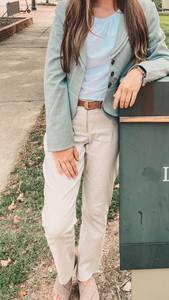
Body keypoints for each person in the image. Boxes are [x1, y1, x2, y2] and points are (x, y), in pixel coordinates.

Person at [41, 0, 169, 299]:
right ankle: (64, 273)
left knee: (97, 209)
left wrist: (139, 70)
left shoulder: (142, 9)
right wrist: (60, 141)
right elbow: (54, 74)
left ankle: (86, 275)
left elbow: (163, 57)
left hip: (107, 122)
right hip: (69, 122)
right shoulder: (68, 9)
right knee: (57, 222)